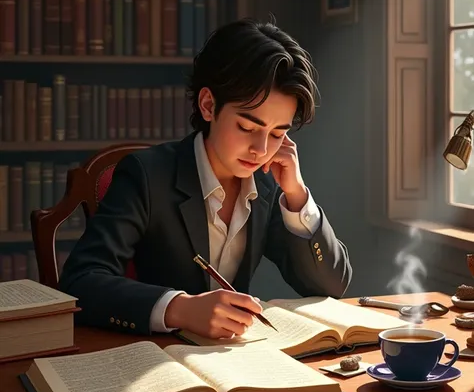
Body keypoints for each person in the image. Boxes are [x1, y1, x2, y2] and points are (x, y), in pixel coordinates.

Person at [59, 17, 352, 338]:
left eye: (278, 133)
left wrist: (297, 196)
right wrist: (179, 308)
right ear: (209, 105)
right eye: (247, 128)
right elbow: (80, 281)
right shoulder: (146, 175)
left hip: (235, 360)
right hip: (153, 357)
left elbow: (331, 285)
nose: (261, 149)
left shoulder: (268, 184)